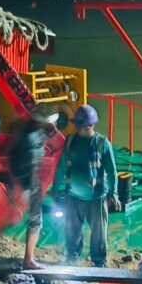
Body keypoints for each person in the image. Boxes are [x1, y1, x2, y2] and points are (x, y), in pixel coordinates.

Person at [54, 105, 121, 267]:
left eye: (82, 126)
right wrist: (55, 188)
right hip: (73, 196)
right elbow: (61, 167)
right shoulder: (70, 141)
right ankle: (72, 256)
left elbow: (112, 171)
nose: (79, 129)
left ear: (90, 125)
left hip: (96, 198)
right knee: (73, 229)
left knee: (99, 232)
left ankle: (99, 261)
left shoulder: (102, 143)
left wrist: (114, 193)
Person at [7, 105, 59, 269]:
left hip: (30, 181)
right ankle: (28, 260)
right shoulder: (30, 139)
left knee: (32, 219)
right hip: (27, 183)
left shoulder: (31, 132)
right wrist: (22, 186)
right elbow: (24, 162)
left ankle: (28, 258)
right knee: (34, 220)